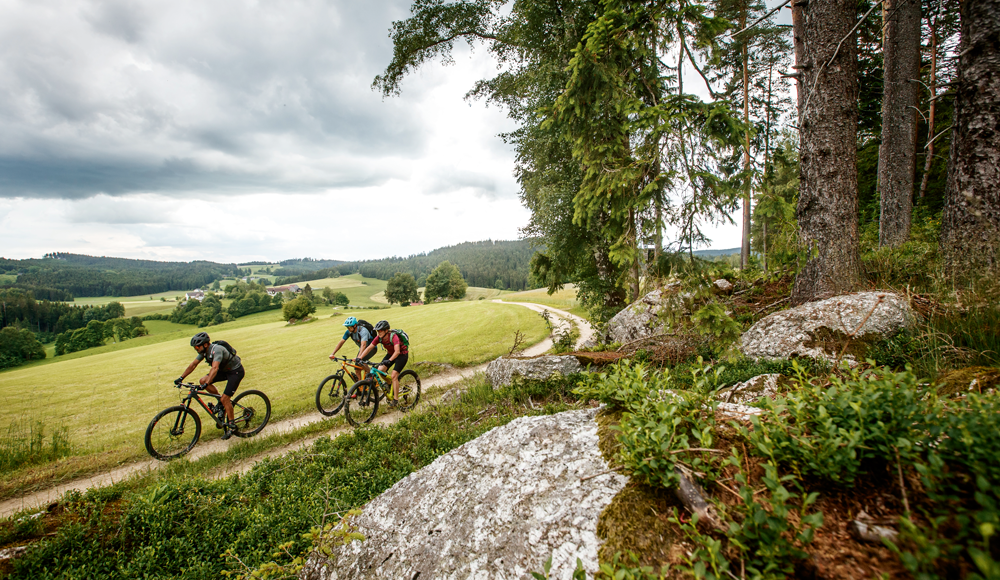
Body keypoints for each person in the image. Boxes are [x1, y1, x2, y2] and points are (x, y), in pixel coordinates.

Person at [175, 332, 244, 440]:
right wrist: (181, 378)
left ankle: (232, 425)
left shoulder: (217, 350)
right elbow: (193, 365)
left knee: (225, 398)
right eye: (194, 347)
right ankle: (220, 403)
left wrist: (208, 383)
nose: (196, 348)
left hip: (235, 372)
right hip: (224, 371)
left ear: (205, 344)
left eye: (197, 346)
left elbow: (215, 368)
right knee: (202, 380)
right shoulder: (203, 352)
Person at [357, 320, 408, 407]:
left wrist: (390, 360)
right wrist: (360, 357)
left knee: (394, 375)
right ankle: (390, 384)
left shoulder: (393, 336)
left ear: (386, 330)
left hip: (401, 354)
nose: (378, 332)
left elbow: (397, 351)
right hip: (390, 354)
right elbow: (369, 348)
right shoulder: (379, 338)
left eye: (380, 330)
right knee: (380, 370)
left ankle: (395, 400)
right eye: (377, 331)